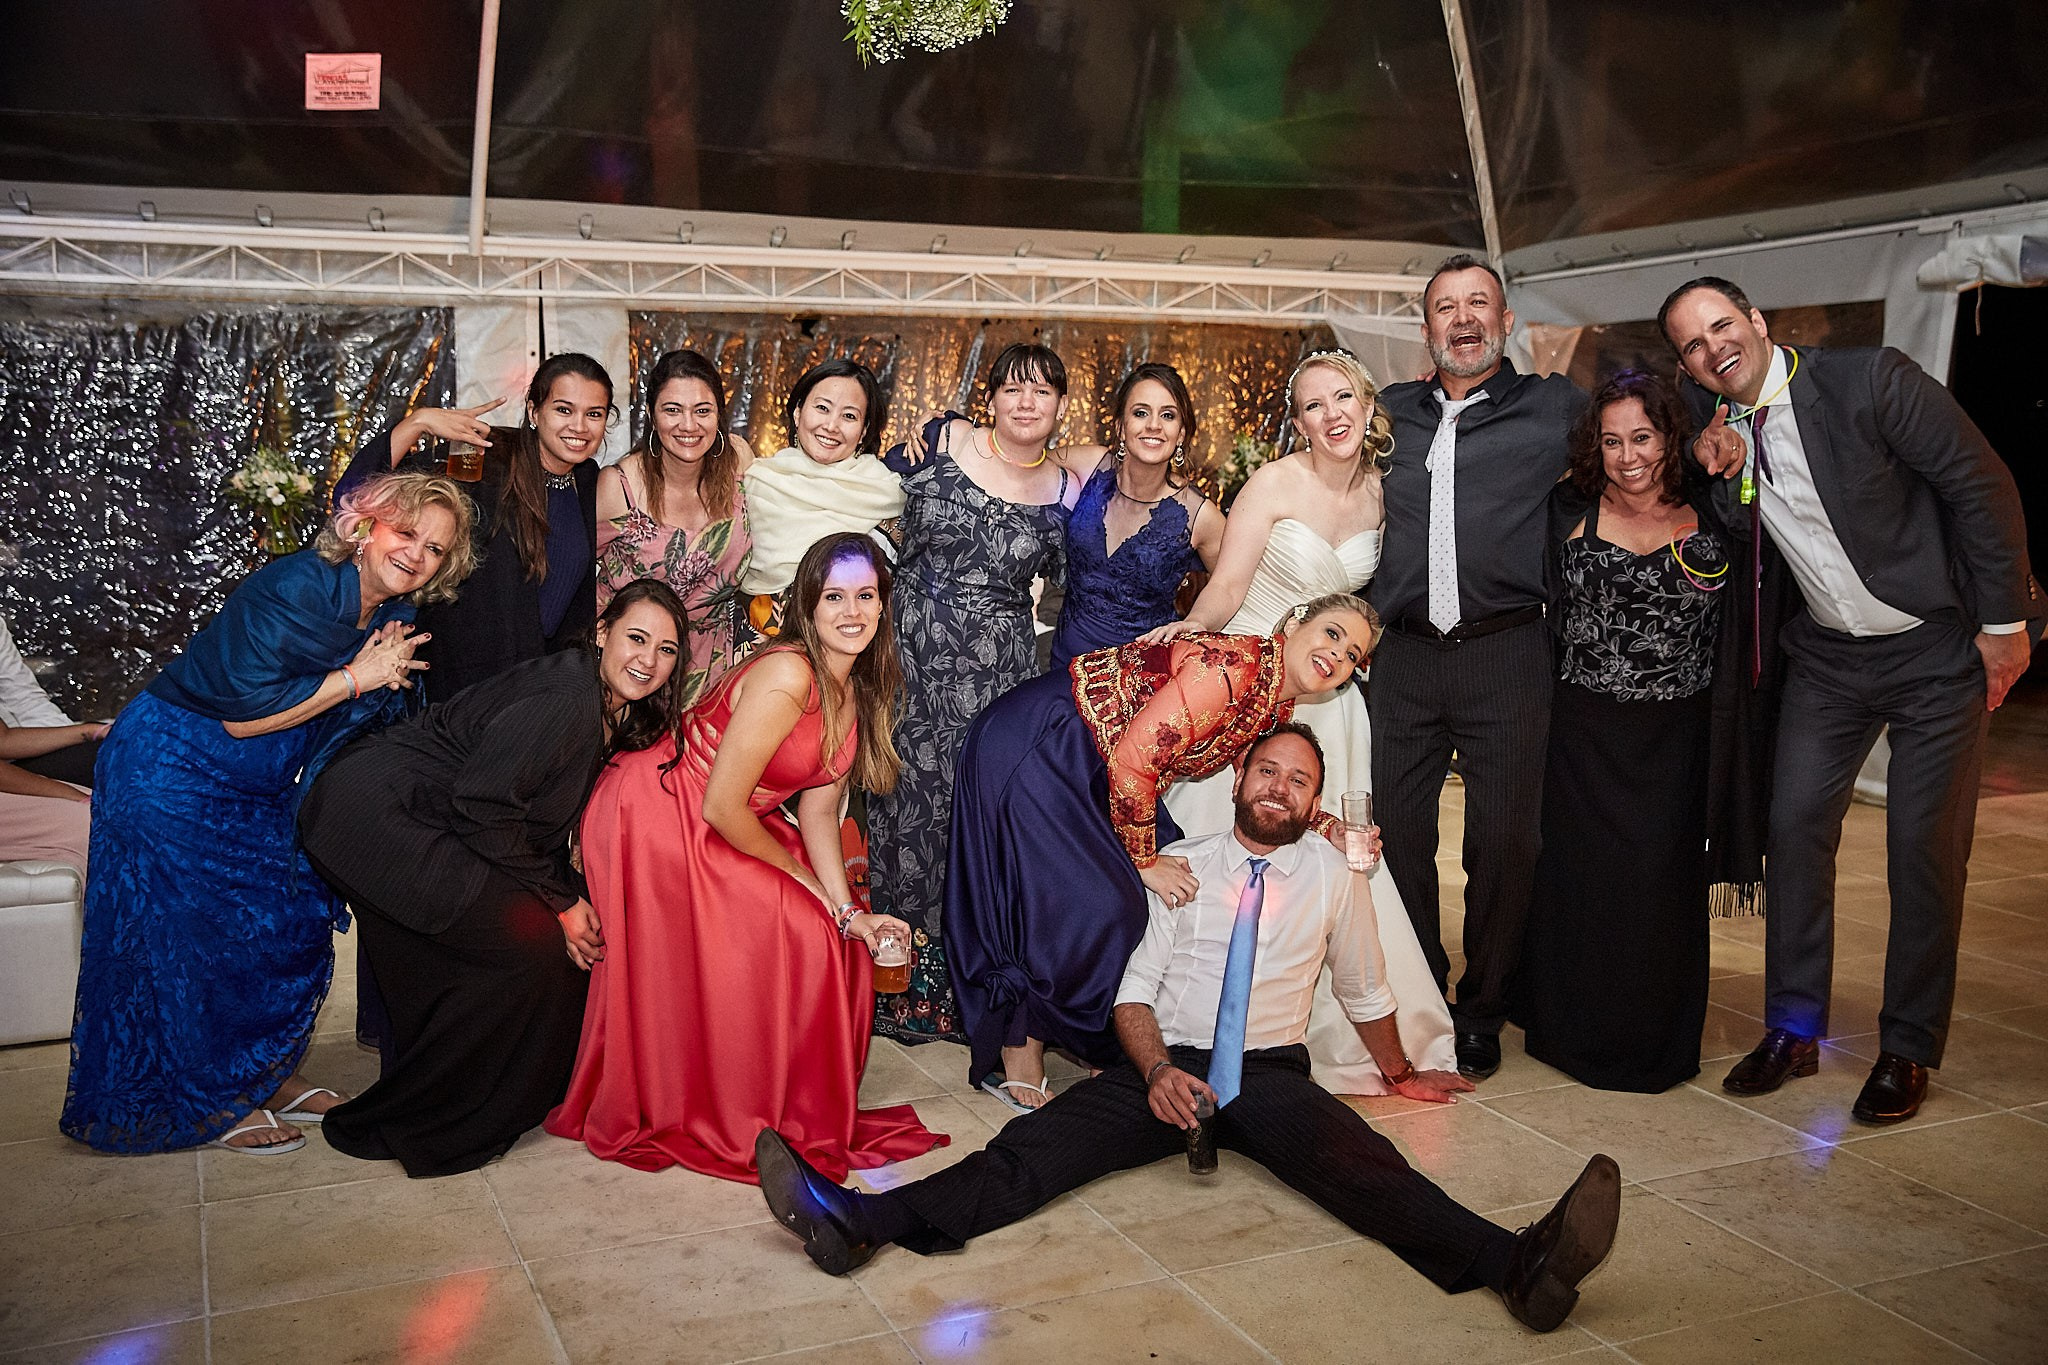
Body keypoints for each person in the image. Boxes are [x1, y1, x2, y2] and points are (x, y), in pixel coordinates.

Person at [755, 725, 1623, 1336]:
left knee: (1367, 1169)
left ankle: (1520, 1267)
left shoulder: (1334, 876)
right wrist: (1158, 1071)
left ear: (1314, 800)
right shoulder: (1183, 867)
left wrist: (1400, 1071)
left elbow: (1364, 987)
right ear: (1239, 779)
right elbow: (1134, 994)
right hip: (1163, 1061)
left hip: (1269, 1069)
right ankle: (862, 1220)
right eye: (1268, 771)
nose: (1280, 787)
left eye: (1300, 780)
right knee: (1030, 1152)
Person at [1662, 276, 2041, 1124]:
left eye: (1722, 325)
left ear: (1757, 321)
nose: (1714, 348)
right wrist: (1715, 468)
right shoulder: (1716, 425)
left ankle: (1908, 1044)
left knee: (1922, 846)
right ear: (1687, 366)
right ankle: (1794, 1030)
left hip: (1936, 645)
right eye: (1693, 344)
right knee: (1794, 826)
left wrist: (2005, 622)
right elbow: (1742, 534)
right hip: (1830, 658)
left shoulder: (1872, 380)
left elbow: (1982, 486)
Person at [61, 472, 474, 1155]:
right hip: (171, 768)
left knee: (285, 916)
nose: (416, 554)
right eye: (406, 532)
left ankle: (265, 1073)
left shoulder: (390, 614)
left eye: (435, 548)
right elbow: (243, 719)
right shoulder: (299, 586)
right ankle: (213, 1099)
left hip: (254, 787)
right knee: (194, 939)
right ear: (362, 527)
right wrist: (357, 678)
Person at [548, 533, 947, 1182]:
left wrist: (849, 912)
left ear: (883, 605)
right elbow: (721, 806)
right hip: (658, 809)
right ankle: (736, 1107)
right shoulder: (789, 673)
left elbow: (817, 812)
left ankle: (788, 1105)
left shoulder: (858, 688)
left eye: (866, 596)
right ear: (808, 605)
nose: (852, 611)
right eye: (834, 597)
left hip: (729, 816)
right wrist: (802, 884)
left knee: (836, 933)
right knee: (798, 926)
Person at [297, 581, 691, 1177]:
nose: (648, 660)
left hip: (416, 814)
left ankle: (474, 1101)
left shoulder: (609, 705)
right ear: (602, 633)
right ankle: (432, 1121)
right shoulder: (568, 699)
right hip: (373, 815)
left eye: (666, 650)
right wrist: (561, 902)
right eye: (636, 638)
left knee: (494, 952)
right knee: (529, 947)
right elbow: (484, 805)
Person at [1145, 349, 1457, 1094]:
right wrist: (1190, 635)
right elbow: (1227, 586)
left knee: (1333, 862)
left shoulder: (1385, 494)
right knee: (1219, 848)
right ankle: (1189, 1017)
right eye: (1314, 405)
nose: (1331, 414)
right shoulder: (1274, 483)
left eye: (1342, 397)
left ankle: (1332, 1028)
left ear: (1368, 405)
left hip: (1333, 700)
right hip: (1250, 685)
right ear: (1299, 423)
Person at [948, 595, 1380, 1108]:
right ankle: (1022, 1048)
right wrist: (1144, 862)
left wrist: (1329, 828)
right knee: (1101, 902)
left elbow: (1258, 782)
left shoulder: (1273, 698)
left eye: (1352, 654)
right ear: (1296, 621)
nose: (1337, 655)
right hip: (1045, 744)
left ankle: (1103, 1042)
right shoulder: (1231, 668)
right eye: (1332, 633)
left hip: (1101, 767)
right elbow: (1135, 759)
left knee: (1149, 899)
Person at [1371, 255, 1587, 1080]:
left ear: (1505, 321)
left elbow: (1641, 439)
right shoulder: (1387, 412)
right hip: (1403, 654)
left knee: (1506, 841)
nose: (1462, 319)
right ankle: (1421, 987)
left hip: (1507, 650)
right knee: (1395, 835)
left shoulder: (1554, 407)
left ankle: (1483, 1005)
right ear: (1426, 326)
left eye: (1478, 304)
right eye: (1445, 307)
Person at [1513, 371, 1733, 1092]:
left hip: (1678, 739)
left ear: (1672, 437)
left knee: (1661, 888)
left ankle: (1656, 1037)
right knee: (1583, 884)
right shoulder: (1564, 509)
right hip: (1583, 736)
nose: (1628, 456)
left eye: (1642, 437)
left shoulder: (1716, 508)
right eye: (1612, 441)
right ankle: (1570, 1029)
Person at [867, 342, 1077, 1047]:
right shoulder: (941, 441)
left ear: (1061, 405)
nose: (1027, 402)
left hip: (996, 675)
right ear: (989, 398)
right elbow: (867, 505)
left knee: (970, 817)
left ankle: (961, 986)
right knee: (900, 808)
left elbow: (1069, 593)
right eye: (1013, 388)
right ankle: (895, 983)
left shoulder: (1066, 490)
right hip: (908, 656)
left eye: (1042, 391)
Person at [341, 352, 615, 702]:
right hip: (462, 688)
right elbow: (356, 493)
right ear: (534, 412)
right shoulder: (483, 458)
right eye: (564, 410)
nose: (579, 426)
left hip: (539, 689)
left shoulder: (588, 480)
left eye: (594, 414)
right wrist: (418, 423)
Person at [595, 349, 754, 706]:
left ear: (719, 414)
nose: (689, 425)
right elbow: (571, 572)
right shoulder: (619, 486)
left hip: (713, 666)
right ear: (652, 414)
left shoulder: (740, 462)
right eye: (673, 410)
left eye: (702, 411)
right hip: (632, 668)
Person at [1046, 362, 1224, 672]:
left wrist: (1199, 620)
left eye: (1168, 416)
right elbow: (1021, 464)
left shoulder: (1200, 515)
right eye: (1141, 413)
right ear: (1120, 427)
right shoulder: (1089, 465)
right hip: (1062, 666)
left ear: (1181, 433)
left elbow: (1230, 586)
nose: (1154, 425)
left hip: (1139, 681)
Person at [738, 357, 904, 626]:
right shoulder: (758, 482)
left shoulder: (887, 492)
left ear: (864, 431)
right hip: (756, 637)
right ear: (798, 412)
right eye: (822, 408)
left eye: (849, 416)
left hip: (851, 640)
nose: (831, 426)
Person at [0, 613, 103, 786]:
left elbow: (25, 697)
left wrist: (86, 735)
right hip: (9, 763)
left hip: (26, 744)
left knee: (123, 750)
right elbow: (4, 742)